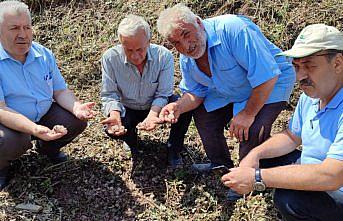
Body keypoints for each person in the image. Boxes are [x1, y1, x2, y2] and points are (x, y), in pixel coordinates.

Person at [221, 24, 343, 221]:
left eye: (310, 66)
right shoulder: (311, 97)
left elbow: (332, 176)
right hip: (317, 167)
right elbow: (292, 136)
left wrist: (257, 178)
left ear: (337, 63)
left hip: (336, 185)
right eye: (296, 67)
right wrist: (255, 154)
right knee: (264, 158)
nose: (300, 76)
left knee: (290, 199)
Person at [156, 4, 295, 173]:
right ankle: (220, 164)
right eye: (176, 42)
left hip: (271, 82)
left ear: (199, 23)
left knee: (251, 130)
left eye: (186, 34)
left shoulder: (233, 30)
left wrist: (247, 114)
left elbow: (267, 76)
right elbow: (195, 93)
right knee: (203, 114)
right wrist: (178, 106)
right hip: (231, 88)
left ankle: (249, 174)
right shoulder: (186, 59)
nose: (186, 46)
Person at [0, 1, 95, 190]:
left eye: (27, 27)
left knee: (75, 121)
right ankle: (1, 167)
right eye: (14, 28)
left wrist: (76, 107)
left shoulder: (43, 54)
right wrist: (34, 129)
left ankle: (47, 148)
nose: (23, 34)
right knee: (9, 140)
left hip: (43, 112)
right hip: (9, 121)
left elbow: (60, 91)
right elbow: (1, 109)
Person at [100, 15, 191, 168]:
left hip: (157, 105)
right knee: (112, 128)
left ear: (149, 42)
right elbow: (109, 94)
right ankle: (131, 141)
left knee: (183, 108)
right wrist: (114, 114)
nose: (135, 56)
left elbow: (163, 94)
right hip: (128, 107)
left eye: (140, 49)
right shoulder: (110, 58)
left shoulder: (164, 57)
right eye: (129, 50)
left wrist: (153, 115)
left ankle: (174, 148)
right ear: (121, 44)